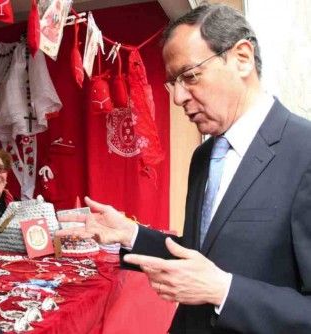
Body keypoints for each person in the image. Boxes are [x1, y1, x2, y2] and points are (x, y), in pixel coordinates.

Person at [57, 4, 311, 333]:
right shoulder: (205, 156)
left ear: (242, 58)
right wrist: (128, 233)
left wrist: (225, 291)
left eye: (190, 76)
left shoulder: (303, 152)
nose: (178, 98)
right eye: (173, 83)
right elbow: (198, 254)